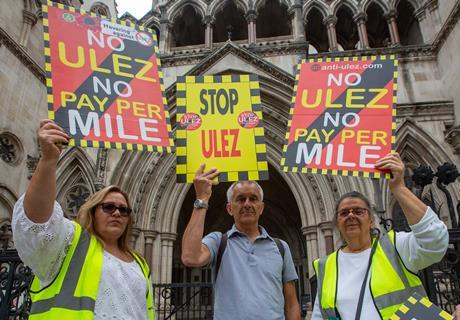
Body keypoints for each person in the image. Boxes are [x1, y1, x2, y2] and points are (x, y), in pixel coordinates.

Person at [12, 120, 154, 320]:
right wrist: (48, 160)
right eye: (108, 207)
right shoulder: (71, 244)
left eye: (124, 210)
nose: (117, 213)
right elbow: (37, 223)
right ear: (93, 211)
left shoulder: (140, 263)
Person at [311, 153, 449, 320]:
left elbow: (435, 241)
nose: (351, 216)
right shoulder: (326, 266)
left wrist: (399, 188)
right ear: (337, 223)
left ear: (371, 220)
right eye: (344, 213)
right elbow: (320, 316)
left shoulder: (395, 247)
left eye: (359, 211)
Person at [181, 164, 301, 320]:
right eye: (240, 199)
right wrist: (201, 199)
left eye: (253, 199)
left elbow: (291, 303)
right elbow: (190, 257)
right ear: (230, 208)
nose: (247, 204)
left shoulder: (281, 247)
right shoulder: (218, 241)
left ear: (261, 207)